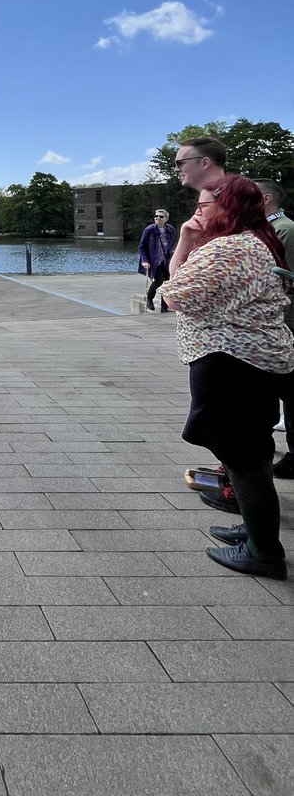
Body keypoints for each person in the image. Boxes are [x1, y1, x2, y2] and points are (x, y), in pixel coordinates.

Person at [160, 176, 294, 579]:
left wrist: (185, 240)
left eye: (203, 206)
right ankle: (256, 530)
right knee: (252, 452)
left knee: (243, 458)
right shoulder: (258, 240)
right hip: (255, 359)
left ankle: (263, 552)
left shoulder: (229, 248)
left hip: (230, 362)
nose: (197, 212)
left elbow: (173, 294)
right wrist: (192, 236)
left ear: (229, 208)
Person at [255, 179, 294, 479]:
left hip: (284, 323)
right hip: (270, 324)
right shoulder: (267, 229)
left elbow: (285, 281)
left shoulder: (285, 230)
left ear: (266, 198)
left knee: (290, 391)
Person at [171, 137, 227, 267]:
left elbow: (179, 273)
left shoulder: (224, 202)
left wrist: (185, 238)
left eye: (180, 163)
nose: (176, 169)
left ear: (205, 163)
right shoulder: (227, 196)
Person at [138, 209, 176, 312]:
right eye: (156, 216)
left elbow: (172, 242)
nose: (158, 218)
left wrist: (173, 252)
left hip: (166, 260)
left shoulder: (170, 229)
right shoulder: (149, 229)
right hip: (154, 261)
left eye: (161, 216)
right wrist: (144, 261)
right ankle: (150, 297)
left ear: (166, 219)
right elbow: (142, 247)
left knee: (167, 282)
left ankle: (164, 307)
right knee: (160, 280)